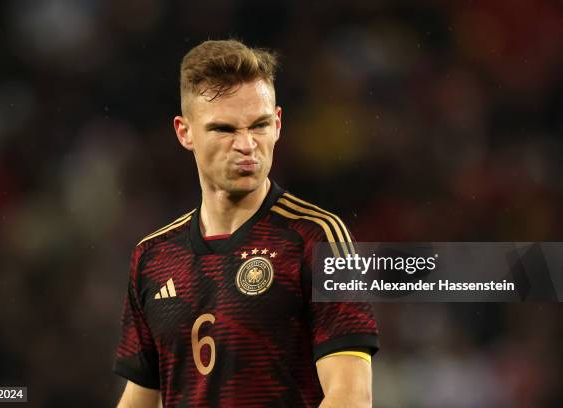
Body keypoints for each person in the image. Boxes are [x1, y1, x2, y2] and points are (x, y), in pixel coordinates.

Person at [113, 39, 378, 408]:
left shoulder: (317, 239)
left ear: (279, 123)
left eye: (259, 125)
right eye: (224, 129)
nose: (247, 144)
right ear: (184, 132)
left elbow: (351, 397)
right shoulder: (153, 257)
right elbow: (140, 399)